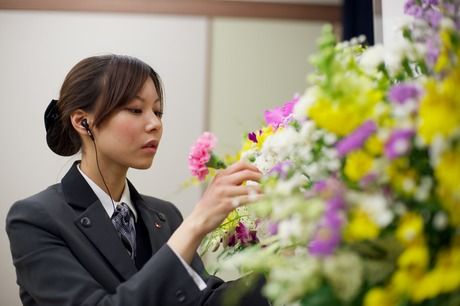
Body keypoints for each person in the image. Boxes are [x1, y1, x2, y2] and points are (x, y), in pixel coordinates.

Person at [6, 54, 269, 306]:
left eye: (158, 111)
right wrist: (196, 224)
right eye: (135, 109)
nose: (154, 123)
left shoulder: (165, 216)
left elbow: (203, 301)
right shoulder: (35, 218)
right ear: (83, 122)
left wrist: (287, 269)